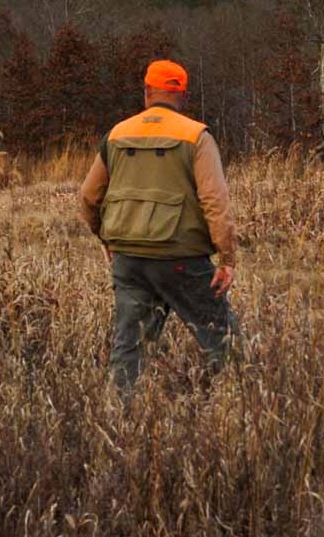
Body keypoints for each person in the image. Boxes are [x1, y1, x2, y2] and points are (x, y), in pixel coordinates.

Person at [78, 59, 241, 391]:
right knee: (226, 343)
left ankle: (118, 419)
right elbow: (215, 200)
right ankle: (242, 408)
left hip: (129, 259)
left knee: (128, 349)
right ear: (182, 94)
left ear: (147, 91)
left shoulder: (117, 134)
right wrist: (227, 258)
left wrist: (105, 238)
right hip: (182, 259)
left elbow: (88, 197)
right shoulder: (196, 136)